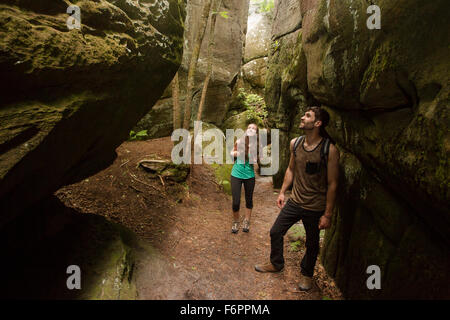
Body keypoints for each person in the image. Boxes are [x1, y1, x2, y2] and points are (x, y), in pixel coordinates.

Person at [254, 106, 339, 291]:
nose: (302, 117)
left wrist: (328, 214)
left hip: (315, 207)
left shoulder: (329, 150)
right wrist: (283, 191)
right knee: (276, 231)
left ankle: (307, 275)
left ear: (317, 123)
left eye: (307, 116)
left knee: (312, 243)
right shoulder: (296, 143)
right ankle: (276, 264)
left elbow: (333, 183)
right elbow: (291, 169)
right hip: (295, 201)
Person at [229, 123, 259, 234]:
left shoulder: (257, 146)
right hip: (236, 174)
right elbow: (231, 153)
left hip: (249, 176)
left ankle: (246, 221)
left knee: (249, 199)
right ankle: (236, 221)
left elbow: (255, 161)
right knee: (236, 202)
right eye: (249, 128)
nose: (251, 129)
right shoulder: (239, 141)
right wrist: (239, 152)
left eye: (254, 129)